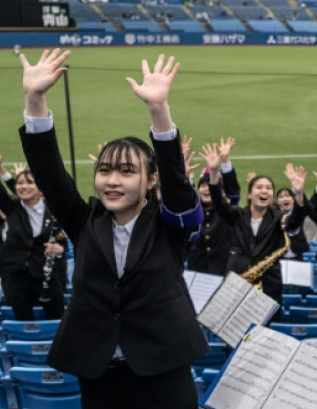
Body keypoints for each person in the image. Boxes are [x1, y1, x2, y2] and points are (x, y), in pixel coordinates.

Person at [19, 50, 208, 408]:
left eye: (126, 171)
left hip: (163, 369)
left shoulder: (168, 226)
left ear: (150, 180)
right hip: (99, 371)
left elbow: (179, 190)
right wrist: (35, 99)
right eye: (105, 171)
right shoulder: (83, 220)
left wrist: (159, 111)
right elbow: (49, 173)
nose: (113, 181)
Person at [202, 146, 310, 311]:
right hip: (236, 283)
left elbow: (295, 221)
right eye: (259, 187)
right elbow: (218, 201)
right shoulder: (237, 214)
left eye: (268, 188)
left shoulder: (279, 217)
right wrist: (215, 171)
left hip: (268, 287)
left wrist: (299, 194)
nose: (264, 191)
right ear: (250, 194)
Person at [0, 149, 68, 320]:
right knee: (23, 321)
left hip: (47, 277)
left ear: (39, 187)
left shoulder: (53, 211)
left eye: (29, 183)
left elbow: (63, 243)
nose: (24, 186)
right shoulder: (12, 208)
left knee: (58, 319)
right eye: (19, 183)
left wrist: (60, 249)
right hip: (17, 278)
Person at [186, 137, 241, 275]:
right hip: (196, 271)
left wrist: (225, 163)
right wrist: (182, 173)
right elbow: (180, 196)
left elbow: (233, 194)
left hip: (223, 270)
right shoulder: (192, 210)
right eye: (203, 186)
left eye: (209, 185)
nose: (206, 189)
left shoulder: (226, 211)